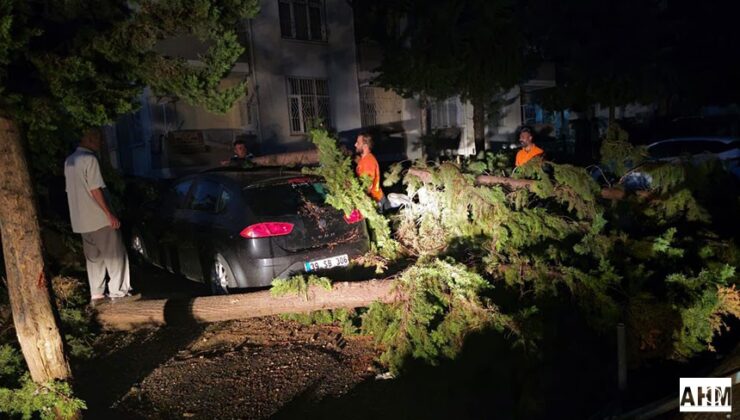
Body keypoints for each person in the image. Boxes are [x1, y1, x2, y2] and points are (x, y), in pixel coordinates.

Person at [64, 128, 133, 305]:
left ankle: (97, 293)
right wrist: (109, 213)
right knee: (115, 254)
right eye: (99, 139)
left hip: (80, 220)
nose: (101, 143)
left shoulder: (69, 161)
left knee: (94, 258)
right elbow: (95, 189)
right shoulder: (90, 159)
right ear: (90, 140)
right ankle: (119, 292)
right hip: (98, 218)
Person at [354, 133, 386, 209]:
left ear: (365, 146)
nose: (355, 144)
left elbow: (368, 186)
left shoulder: (368, 162)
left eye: (358, 143)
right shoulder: (364, 159)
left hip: (375, 200)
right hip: (373, 198)